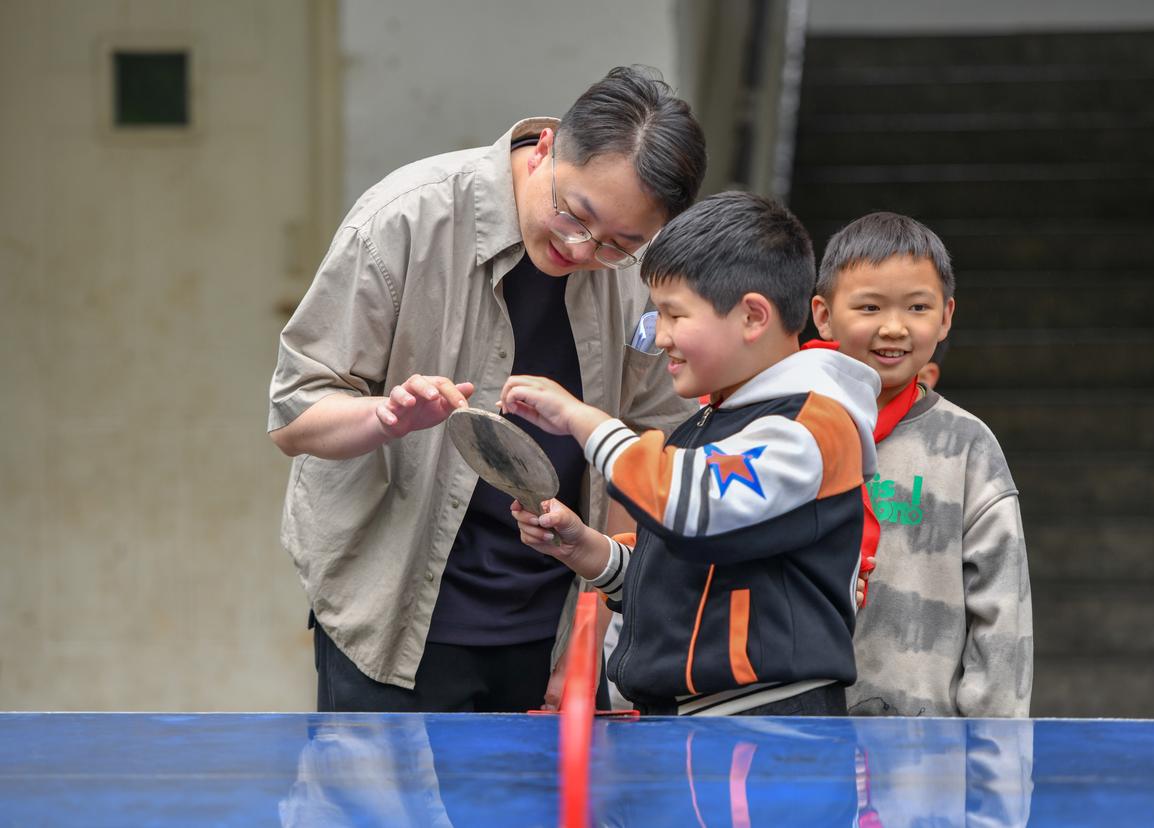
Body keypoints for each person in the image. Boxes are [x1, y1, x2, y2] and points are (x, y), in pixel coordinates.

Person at [267, 67, 707, 712]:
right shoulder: (405, 218)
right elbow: (293, 416)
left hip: (554, 623)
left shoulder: (644, 270)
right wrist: (386, 417)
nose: (582, 248)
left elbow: (654, 445)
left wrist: (595, 626)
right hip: (391, 613)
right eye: (574, 214)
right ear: (546, 146)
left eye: (619, 244)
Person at [500, 192, 881, 716]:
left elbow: (695, 507)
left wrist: (586, 421)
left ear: (753, 316)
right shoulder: (706, 423)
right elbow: (688, 571)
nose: (660, 337)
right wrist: (589, 551)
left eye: (673, 314)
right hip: (696, 722)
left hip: (767, 724)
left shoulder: (810, 427)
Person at [807, 211, 1033, 717]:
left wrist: (995, 750)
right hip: (793, 736)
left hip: (924, 747)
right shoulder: (783, 432)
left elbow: (1003, 616)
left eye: (917, 307)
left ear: (946, 316)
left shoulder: (967, 446)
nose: (894, 327)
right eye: (869, 306)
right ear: (823, 314)